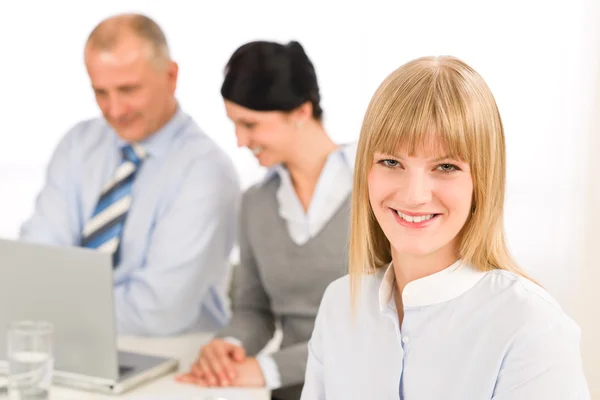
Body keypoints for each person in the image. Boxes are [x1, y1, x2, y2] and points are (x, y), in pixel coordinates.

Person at [300, 56, 590, 399]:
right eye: (391, 162)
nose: (414, 194)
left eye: (446, 166)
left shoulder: (531, 326)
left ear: (481, 182)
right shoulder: (339, 305)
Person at [19, 13, 240, 336]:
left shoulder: (206, 171)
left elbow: (158, 312)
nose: (115, 110)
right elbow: (37, 261)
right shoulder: (78, 146)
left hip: (171, 358)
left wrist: (50, 307)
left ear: (171, 76)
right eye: (101, 92)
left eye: (129, 89)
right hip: (74, 345)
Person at [176, 40, 356, 400]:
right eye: (234, 124)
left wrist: (265, 369)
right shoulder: (256, 204)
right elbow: (254, 310)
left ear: (301, 112)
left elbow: (382, 327)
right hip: (288, 392)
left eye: (250, 124)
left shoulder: (377, 193)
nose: (241, 141)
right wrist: (228, 346)